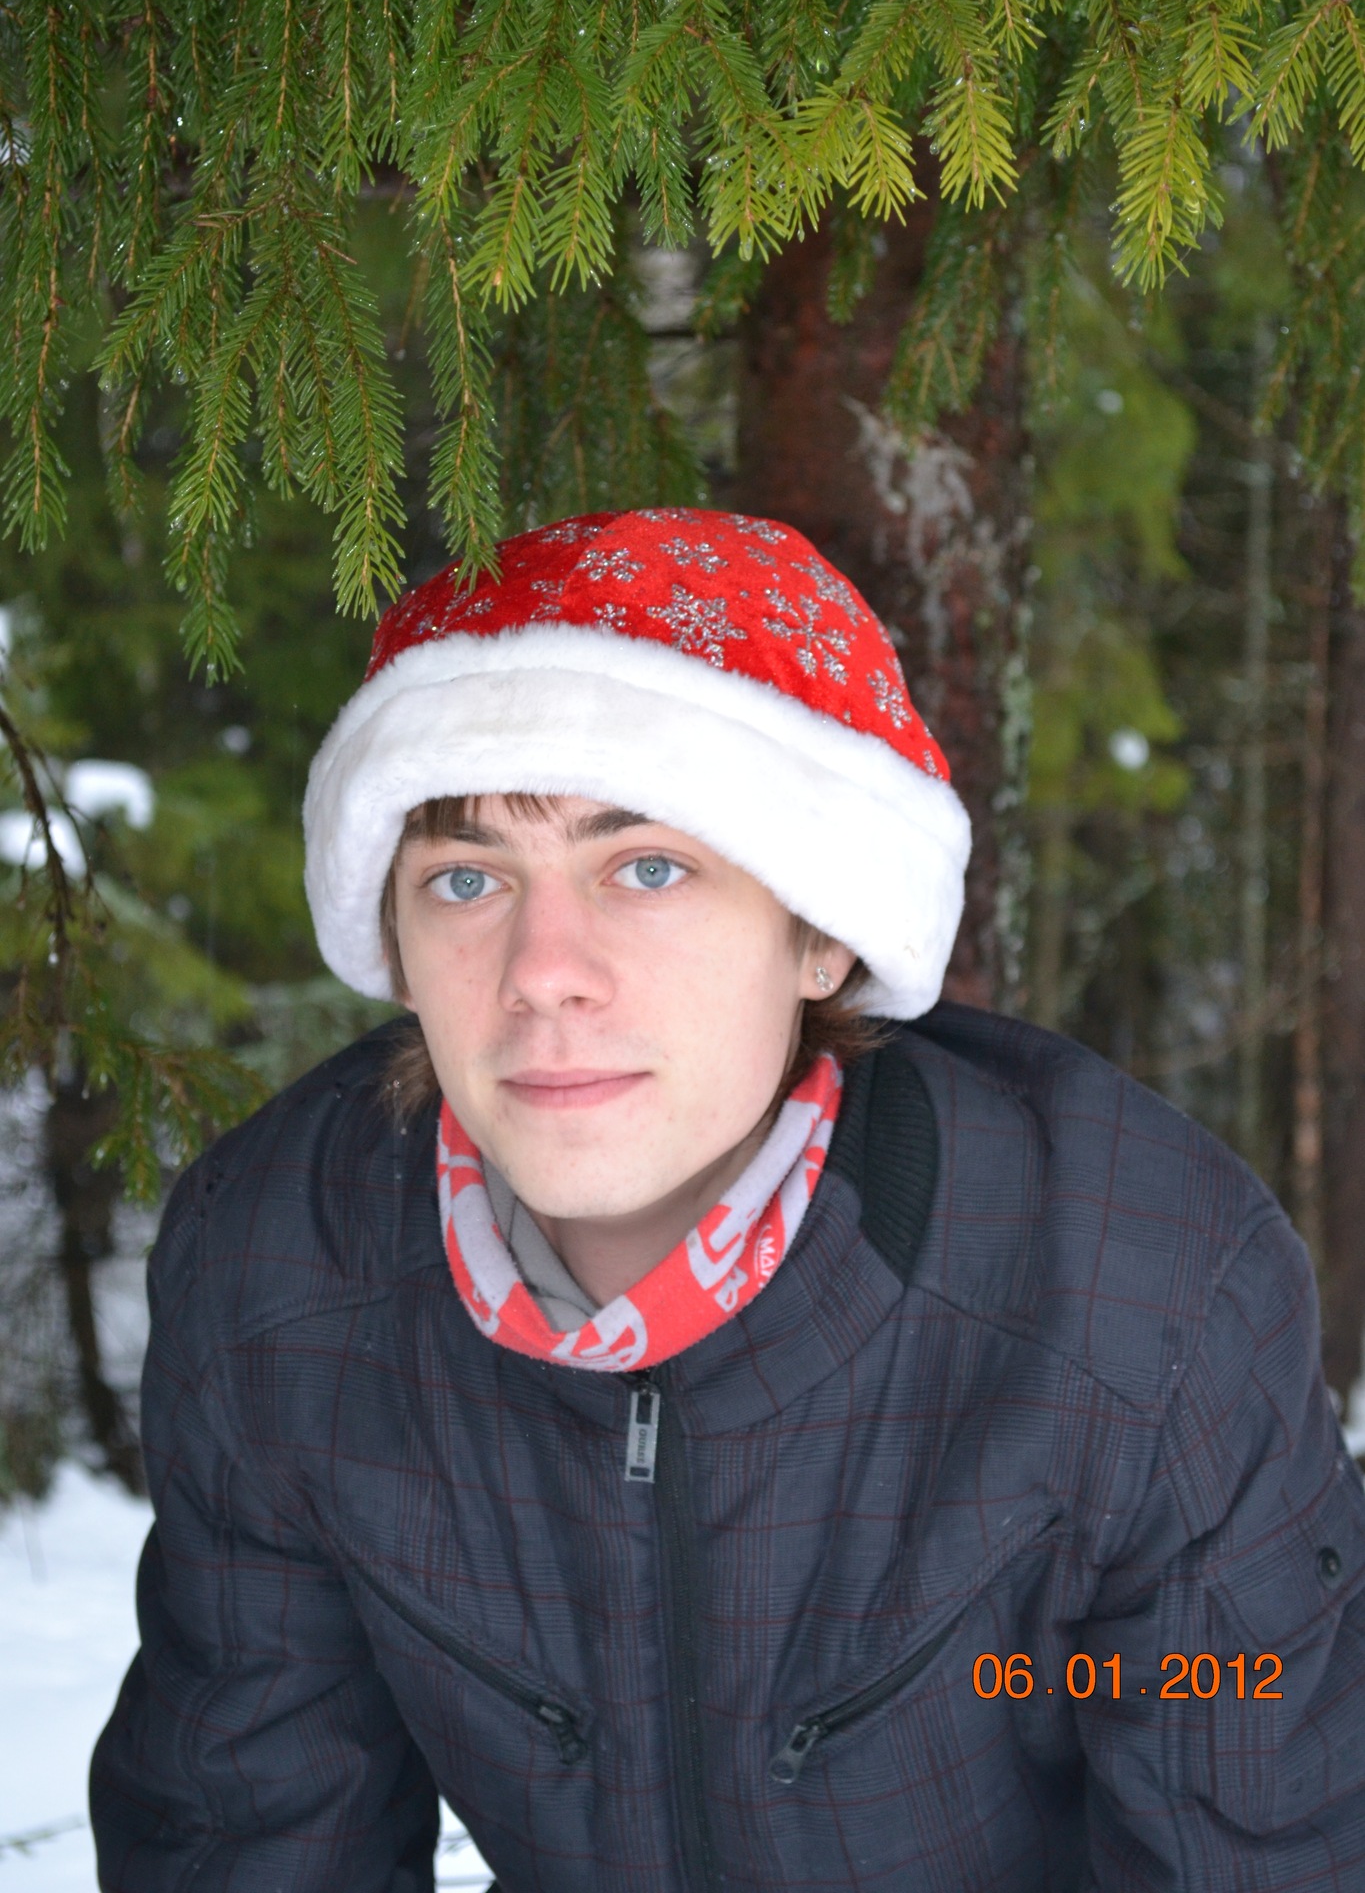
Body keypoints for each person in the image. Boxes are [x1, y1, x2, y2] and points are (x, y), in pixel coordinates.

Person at [92, 507, 1365, 1892]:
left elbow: (1264, 1850)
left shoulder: (1137, 1292)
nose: (542, 970)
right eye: (465, 879)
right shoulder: (280, 1268)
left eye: (648, 867)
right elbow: (249, 1844)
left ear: (821, 932)